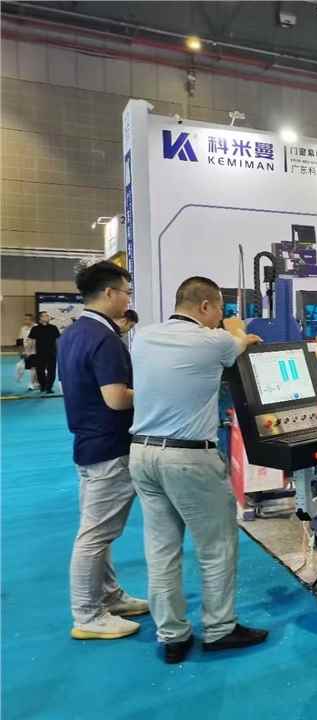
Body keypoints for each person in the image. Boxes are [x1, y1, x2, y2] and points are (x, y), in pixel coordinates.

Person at [129, 276, 267, 664]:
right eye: (219, 309)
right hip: (188, 459)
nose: (220, 317)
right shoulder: (214, 341)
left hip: (142, 454)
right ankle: (220, 629)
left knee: (161, 550)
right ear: (205, 306)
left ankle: (172, 635)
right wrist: (240, 330)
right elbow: (239, 339)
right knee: (216, 547)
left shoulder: (143, 337)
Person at [58, 262, 148, 641]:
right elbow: (116, 398)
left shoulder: (74, 333)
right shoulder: (104, 339)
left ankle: (109, 596)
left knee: (100, 532)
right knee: (95, 536)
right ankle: (88, 615)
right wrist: (158, 392)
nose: (128, 299)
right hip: (109, 447)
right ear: (110, 293)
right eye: (126, 292)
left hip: (88, 443)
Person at [29, 311, 61, 394]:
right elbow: (32, 341)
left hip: (52, 353)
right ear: (40, 318)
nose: (47, 317)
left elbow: (57, 340)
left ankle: (49, 387)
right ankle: (43, 386)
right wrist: (30, 352)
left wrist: (59, 351)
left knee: (52, 372)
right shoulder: (35, 329)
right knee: (40, 371)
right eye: (45, 315)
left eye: (48, 315)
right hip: (39, 353)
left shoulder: (53, 328)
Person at [16, 313, 38, 389]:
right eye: (24, 319)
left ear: (31, 320)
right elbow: (19, 340)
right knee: (19, 366)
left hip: (35, 351)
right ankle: (20, 378)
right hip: (26, 351)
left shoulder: (37, 327)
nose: (25, 320)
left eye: (26, 319)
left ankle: (32, 383)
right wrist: (21, 352)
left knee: (33, 368)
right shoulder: (23, 328)